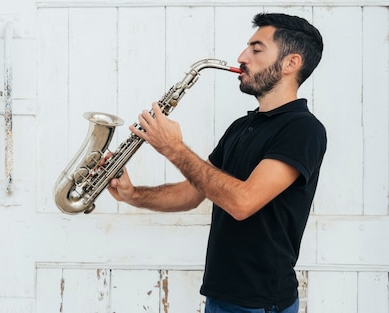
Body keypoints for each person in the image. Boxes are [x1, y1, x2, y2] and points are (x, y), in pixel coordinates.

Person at [108, 12, 326, 313]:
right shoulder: (241, 126)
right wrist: (134, 195)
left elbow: (242, 202)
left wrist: (174, 149)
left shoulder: (303, 129)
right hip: (221, 297)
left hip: (261, 303)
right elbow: (193, 192)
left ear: (291, 63)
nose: (242, 57)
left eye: (256, 49)